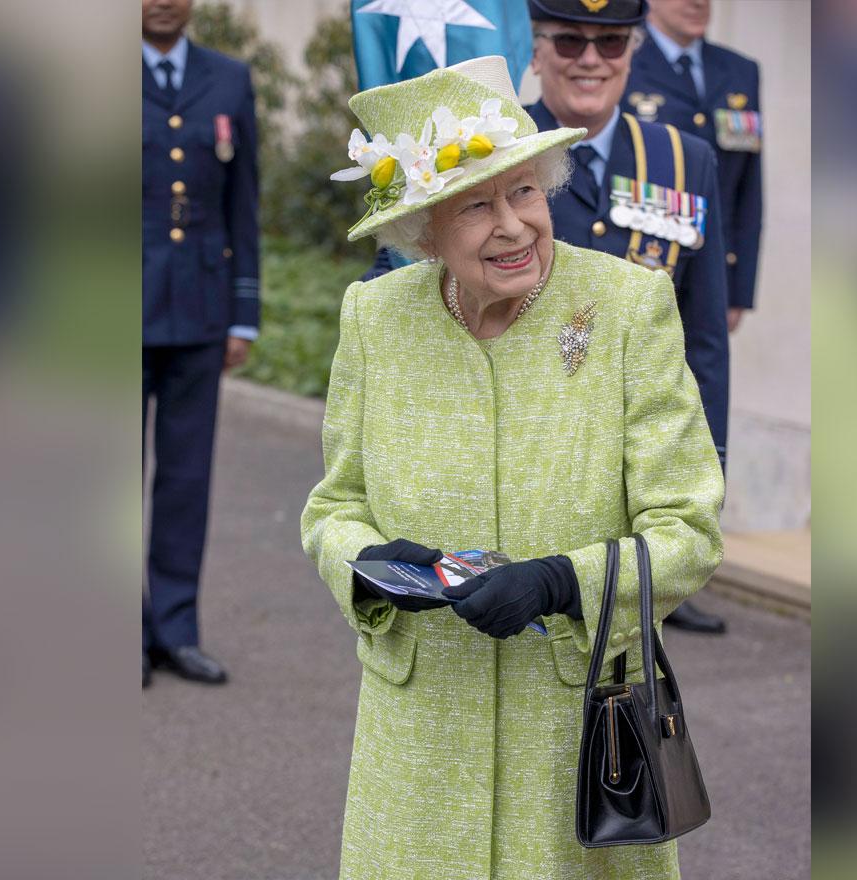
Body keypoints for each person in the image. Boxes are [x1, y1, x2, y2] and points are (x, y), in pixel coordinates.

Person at [300, 56, 724, 879]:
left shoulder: (629, 308)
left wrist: (563, 583)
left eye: (525, 191)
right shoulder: (376, 317)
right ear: (423, 232)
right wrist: (369, 565)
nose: (514, 226)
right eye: (477, 206)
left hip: (576, 731)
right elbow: (334, 506)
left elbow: (690, 532)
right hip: (420, 735)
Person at [525, 0, 729, 634]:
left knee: (623, 674)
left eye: (611, 43)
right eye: (569, 41)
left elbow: (703, 331)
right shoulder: (496, 146)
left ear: (633, 52)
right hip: (528, 445)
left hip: (636, 456)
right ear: (536, 50)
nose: (591, 59)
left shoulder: (681, 158)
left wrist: (708, 461)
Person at [142, 0, 260, 687]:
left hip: (199, 310)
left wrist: (242, 314)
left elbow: (243, 200)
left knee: (186, 480)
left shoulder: (229, 78)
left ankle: (176, 629)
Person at [627, 0, 763, 333]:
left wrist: (738, 289)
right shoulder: (623, 60)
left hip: (715, 269)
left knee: (705, 377)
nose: (698, 2)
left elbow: (748, 186)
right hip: (643, 266)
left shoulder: (740, 70)